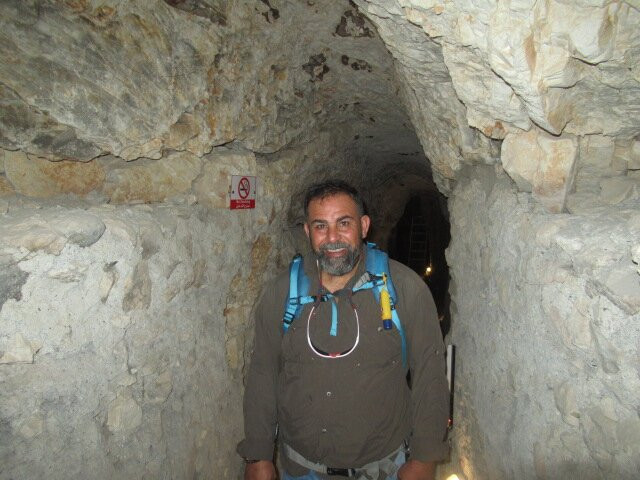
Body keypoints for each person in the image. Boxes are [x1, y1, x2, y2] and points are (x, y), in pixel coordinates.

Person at [237, 180, 449, 480]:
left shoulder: (405, 289)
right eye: (321, 226)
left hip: (382, 469)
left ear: (364, 226)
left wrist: (425, 458)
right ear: (308, 232)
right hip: (300, 469)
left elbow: (430, 373)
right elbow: (263, 371)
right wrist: (258, 455)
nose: (332, 237)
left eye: (344, 223)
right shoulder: (282, 292)